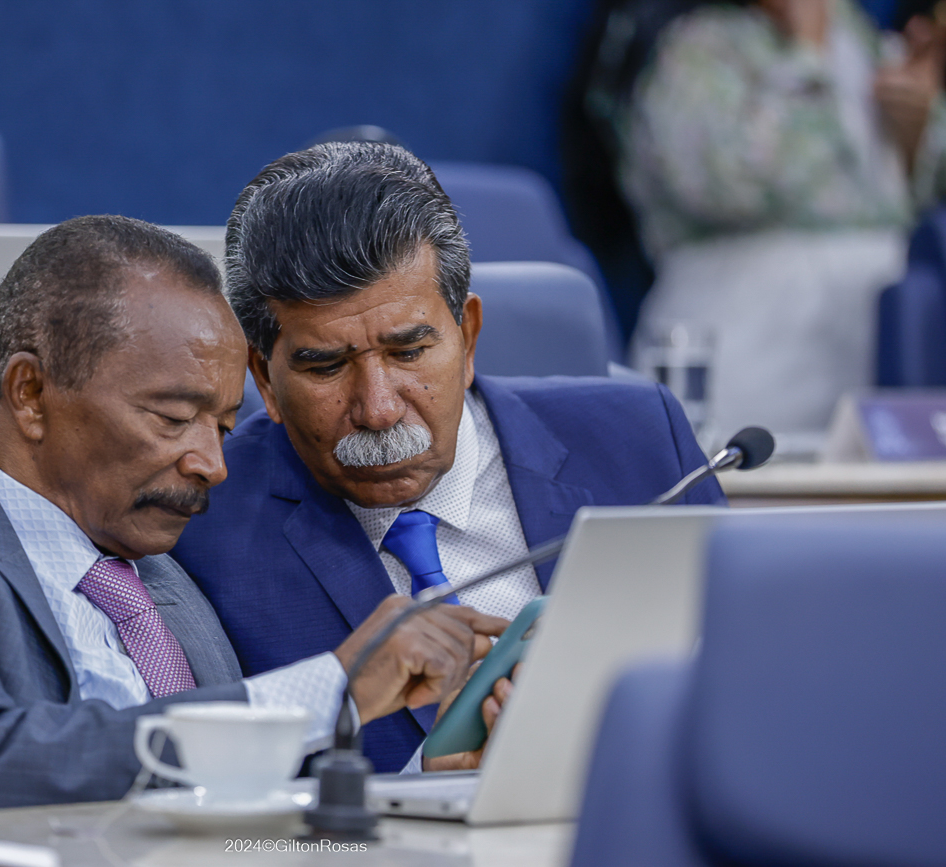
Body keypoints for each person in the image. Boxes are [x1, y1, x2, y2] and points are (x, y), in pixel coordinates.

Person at [0, 215, 507, 822]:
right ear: (30, 394)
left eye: (222, 427)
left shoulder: (170, 577)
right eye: (173, 418)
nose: (212, 464)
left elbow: (253, 833)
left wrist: (428, 786)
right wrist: (332, 688)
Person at [170, 141, 725, 774]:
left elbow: (745, 678)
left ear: (468, 336)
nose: (378, 409)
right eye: (326, 366)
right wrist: (424, 785)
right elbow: (198, 787)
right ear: (264, 380)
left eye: (408, 353)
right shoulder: (201, 526)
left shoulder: (641, 440)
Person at [584, 0, 946, 445]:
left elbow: (912, 192)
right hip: (749, 341)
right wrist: (807, 58)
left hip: (869, 350)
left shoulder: (861, 39)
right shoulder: (698, 45)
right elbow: (730, 180)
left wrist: (916, 134)